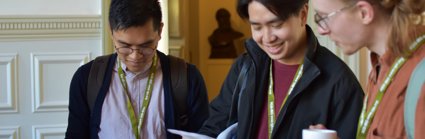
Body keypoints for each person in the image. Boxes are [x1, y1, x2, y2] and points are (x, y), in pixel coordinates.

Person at [198, 0, 365, 138]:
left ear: (303, 14)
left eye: (276, 25)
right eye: (256, 27)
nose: (267, 38)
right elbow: (214, 126)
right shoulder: (245, 67)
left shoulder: (340, 83)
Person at [65, 0, 209, 138]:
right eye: (125, 46)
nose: (135, 56)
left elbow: (203, 134)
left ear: (159, 31)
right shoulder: (86, 78)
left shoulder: (187, 78)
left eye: (145, 46)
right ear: (111, 31)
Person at [310, 0, 425, 138]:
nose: (321, 30)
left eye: (324, 17)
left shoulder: (419, 76)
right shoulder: (380, 68)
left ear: (364, 13)